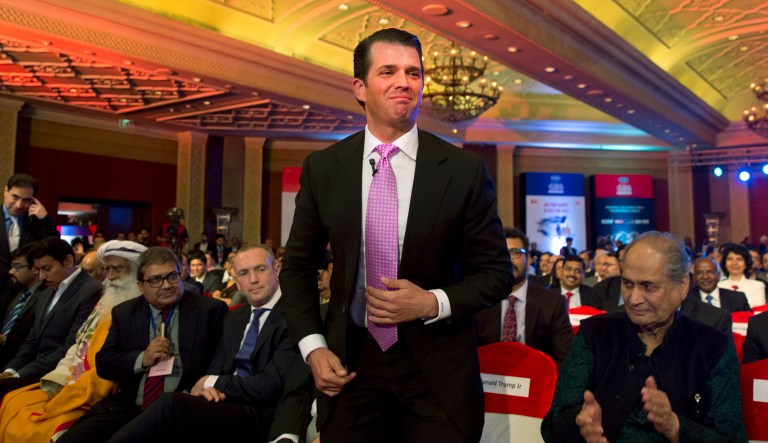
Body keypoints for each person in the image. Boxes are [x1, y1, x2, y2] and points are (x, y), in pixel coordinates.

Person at [279, 28, 514, 442]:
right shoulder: (324, 168)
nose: (404, 81)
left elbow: (496, 273)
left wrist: (430, 302)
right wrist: (313, 347)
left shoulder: (463, 171)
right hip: (350, 367)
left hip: (437, 373)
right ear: (360, 87)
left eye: (414, 72)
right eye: (388, 71)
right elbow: (297, 267)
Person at [541, 231, 745, 442]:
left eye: (648, 286)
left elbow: (732, 438)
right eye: (628, 284)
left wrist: (676, 427)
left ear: (682, 286)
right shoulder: (594, 334)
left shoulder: (713, 347)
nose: (634, 299)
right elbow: (551, 426)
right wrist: (578, 424)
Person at [106, 244, 298, 442]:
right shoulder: (236, 317)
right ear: (237, 282)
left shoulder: (295, 316)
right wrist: (211, 387)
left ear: (276, 269)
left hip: (262, 413)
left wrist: (212, 382)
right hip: (222, 404)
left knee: (170, 404)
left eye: (260, 269)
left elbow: (272, 384)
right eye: (243, 273)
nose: (253, 279)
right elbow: (219, 363)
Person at [58, 247, 227, 443]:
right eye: (155, 280)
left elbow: (222, 358)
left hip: (180, 407)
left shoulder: (210, 310)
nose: (166, 285)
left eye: (172, 276)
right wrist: (142, 359)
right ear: (140, 285)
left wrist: (204, 386)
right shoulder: (125, 313)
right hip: (131, 406)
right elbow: (105, 363)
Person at [0, 240, 146, 442]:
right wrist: (59, 379)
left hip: (96, 389)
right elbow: (78, 346)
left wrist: (70, 389)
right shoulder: (106, 300)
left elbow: (113, 363)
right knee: (13, 402)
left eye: (117, 269)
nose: (110, 277)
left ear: (137, 272)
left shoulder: (138, 310)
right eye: (108, 269)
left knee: (36, 428)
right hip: (69, 378)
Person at [0, 237, 102, 398]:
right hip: (33, 369)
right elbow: (32, 341)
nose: (41, 276)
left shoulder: (91, 291)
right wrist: (11, 370)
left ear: (68, 261)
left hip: (58, 376)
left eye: (47, 268)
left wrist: (19, 374)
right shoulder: (45, 292)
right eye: (39, 270)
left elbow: (71, 346)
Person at [474, 227, 573, 364]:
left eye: (515, 252)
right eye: (502, 253)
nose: (508, 259)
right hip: (488, 380)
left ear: (528, 258)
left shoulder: (553, 303)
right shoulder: (479, 301)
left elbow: (565, 360)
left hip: (535, 380)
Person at [1, 174, 59, 291]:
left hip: (23, 290)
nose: (19, 205)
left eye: (26, 200)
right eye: (15, 197)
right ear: (6, 190)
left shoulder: (37, 222)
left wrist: (45, 219)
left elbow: (55, 247)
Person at [0, 243, 46, 368]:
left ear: (35, 269)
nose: (11, 271)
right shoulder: (15, 290)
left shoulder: (45, 296)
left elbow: (34, 340)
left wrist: (5, 339)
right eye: (11, 266)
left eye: (17, 267)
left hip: (20, 363)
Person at [718, 243, 766, 307]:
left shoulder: (758, 286)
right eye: (730, 259)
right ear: (725, 263)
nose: (734, 263)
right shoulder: (718, 286)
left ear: (746, 264)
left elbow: (760, 313)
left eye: (739, 259)